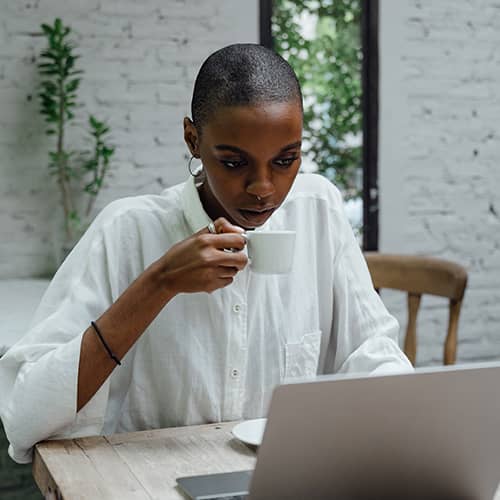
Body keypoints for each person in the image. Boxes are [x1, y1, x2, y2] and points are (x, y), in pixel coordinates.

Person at [0, 44, 412, 464]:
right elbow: (24, 417)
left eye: (286, 160)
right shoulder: (129, 230)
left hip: (283, 477)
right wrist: (159, 282)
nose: (263, 188)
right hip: (149, 485)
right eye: (234, 163)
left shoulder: (318, 209)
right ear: (193, 140)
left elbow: (374, 353)